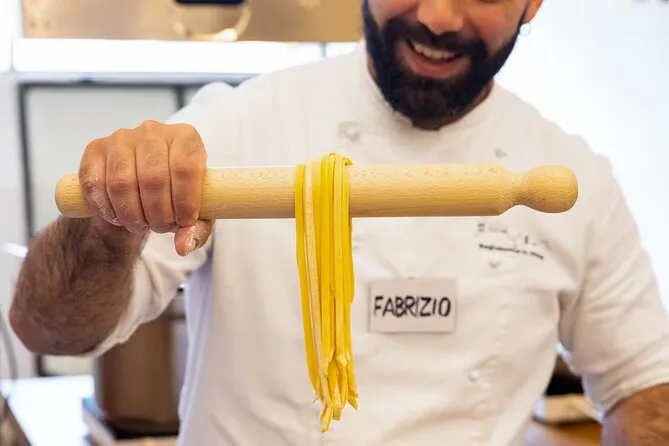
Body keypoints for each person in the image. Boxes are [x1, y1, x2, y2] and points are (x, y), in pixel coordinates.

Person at [9, 0, 669, 444]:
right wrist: (107, 224)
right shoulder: (236, 126)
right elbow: (48, 330)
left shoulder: (570, 179)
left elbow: (643, 386)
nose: (438, 16)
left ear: (533, 3)